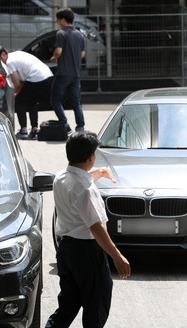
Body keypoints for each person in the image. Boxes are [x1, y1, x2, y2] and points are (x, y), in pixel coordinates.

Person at [46, 131, 131, 328]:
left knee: (67, 305)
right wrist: (117, 256)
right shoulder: (86, 190)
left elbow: (77, 182)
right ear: (91, 156)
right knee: (96, 305)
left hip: (66, 250)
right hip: (87, 253)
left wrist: (98, 173)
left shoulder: (60, 178)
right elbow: (96, 227)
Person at [0, 45, 53, 140]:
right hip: (47, 75)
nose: (0, 62)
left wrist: (15, 95)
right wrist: (17, 92)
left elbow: (17, 84)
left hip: (37, 77)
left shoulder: (9, 62)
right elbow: (22, 83)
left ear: (3, 54)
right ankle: (35, 130)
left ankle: (23, 130)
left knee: (19, 102)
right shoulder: (15, 55)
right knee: (31, 102)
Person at [50, 7, 86, 132]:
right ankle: (80, 127)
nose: (58, 23)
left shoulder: (61, 33)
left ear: (63, 20)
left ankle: (65, 124)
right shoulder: (79, 35)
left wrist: (54, 58)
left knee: (55, 99)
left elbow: (58, 51)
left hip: (63, 73)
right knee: (76, 102)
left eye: (58, 20)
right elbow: (82, 54)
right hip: (76, 74)